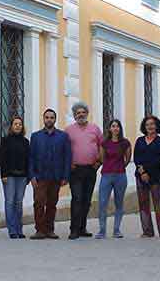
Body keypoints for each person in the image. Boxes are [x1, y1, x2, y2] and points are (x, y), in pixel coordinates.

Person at [29, 109, 71, 240]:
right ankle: (39, 230)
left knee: (52, 204)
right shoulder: (36, 136)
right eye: (47, 117)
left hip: (56, 176)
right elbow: (30, 157)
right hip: (40, 177)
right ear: (43, 119)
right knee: (38, 203)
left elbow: (67, 157)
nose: (49, 119)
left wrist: (66, 176)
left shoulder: (63, 136)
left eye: (51, 117)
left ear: (55, 119)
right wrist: (31, 175)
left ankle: (49, 230)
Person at [65, 101, 103, 240]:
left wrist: (99, 162)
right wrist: (68, 164)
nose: (81, 115)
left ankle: (82, 228)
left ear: (87, 114)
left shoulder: (95, 129)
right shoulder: (68, 130)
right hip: (75, 170)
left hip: (91, 169)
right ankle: (74, 229)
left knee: (87, 200)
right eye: (78, 113)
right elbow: (64, 149)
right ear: (74, 115)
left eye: (83, 112)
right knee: (77, 198)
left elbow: (102, 146)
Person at [134, 115, 160, 238]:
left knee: (159, 205)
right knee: (143, 205)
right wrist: (142, 172)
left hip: (157, 176)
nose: (150, 126)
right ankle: (147, 231)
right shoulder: (139, 141)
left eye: (152, 124)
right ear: (144, 127)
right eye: (147, 124)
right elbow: (136, 158)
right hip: (141, 176)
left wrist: (148, 172)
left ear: (156, 126)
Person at [95, 119, 131, 239]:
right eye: (113, 126)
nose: (115, 128)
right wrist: (109, 166)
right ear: (109, 129)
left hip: (120, 176)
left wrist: (119, 167)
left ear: (120, 129)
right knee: (102, 203)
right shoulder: (104, 143)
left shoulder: (125, 143)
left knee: (119, 203)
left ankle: (116, 230)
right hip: (106, 175)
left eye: (117, 126)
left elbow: (127, 159)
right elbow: (102, 158)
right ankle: (102, 230)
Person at [0, 116, 30, 239]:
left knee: (19, 202)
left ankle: (19, 229)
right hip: (9, 176)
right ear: (11, 126)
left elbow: (28, 159)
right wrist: (4, 174)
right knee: (10, 202)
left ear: (22, 127)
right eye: (15, 124)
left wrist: (28, 176)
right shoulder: (5, 140)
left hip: (22, 177)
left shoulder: (26, 142)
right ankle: (12, 230)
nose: (18, 126)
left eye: (20, 124)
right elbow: (2, 159)